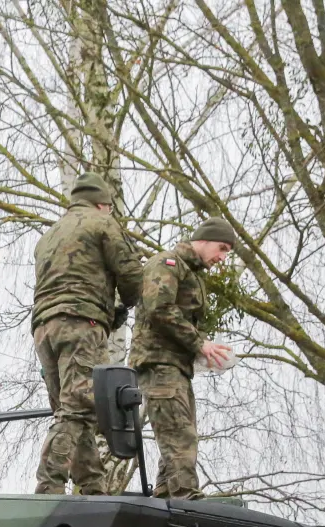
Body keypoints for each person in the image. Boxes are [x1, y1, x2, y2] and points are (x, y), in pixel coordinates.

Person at [31, 172, 143, 495]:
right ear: (102, 203)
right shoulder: (102, 223)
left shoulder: (48, 236)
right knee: (79, 405)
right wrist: (124, 305)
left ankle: (92, 485)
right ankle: (49, 483)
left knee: (70, 409)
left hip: (43, 329)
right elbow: (133, 277)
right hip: (82, 323)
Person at [130, 217, 238, 499]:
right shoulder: (168, 264)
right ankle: (186, 496)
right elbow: (159, 308)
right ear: (203, 240)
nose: (223, 257)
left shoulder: (192, 273)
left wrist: (200, 352)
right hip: (159, 362)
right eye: (222, 248)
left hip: (176, 365)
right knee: (179, 435)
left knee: (181, 432)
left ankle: (168, 492)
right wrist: (199, 344)